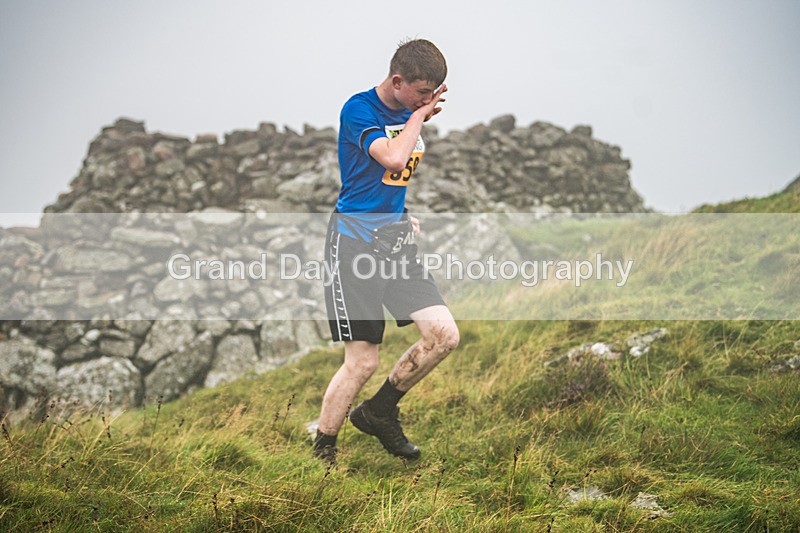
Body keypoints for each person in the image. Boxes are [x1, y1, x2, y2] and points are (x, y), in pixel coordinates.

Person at [313, 39, 459, 464]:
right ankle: (323, 448)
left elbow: (388, 181)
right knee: (362, 362)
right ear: (397, 81)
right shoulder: (359, 109)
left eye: (434, 94)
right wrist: (417, 116)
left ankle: (379, 412)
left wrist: (401, 213)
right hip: (353, 245)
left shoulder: (411, 109)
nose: (428, 102)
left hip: (395, 241)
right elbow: (393, 160)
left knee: (444, 335)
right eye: (421, 92)